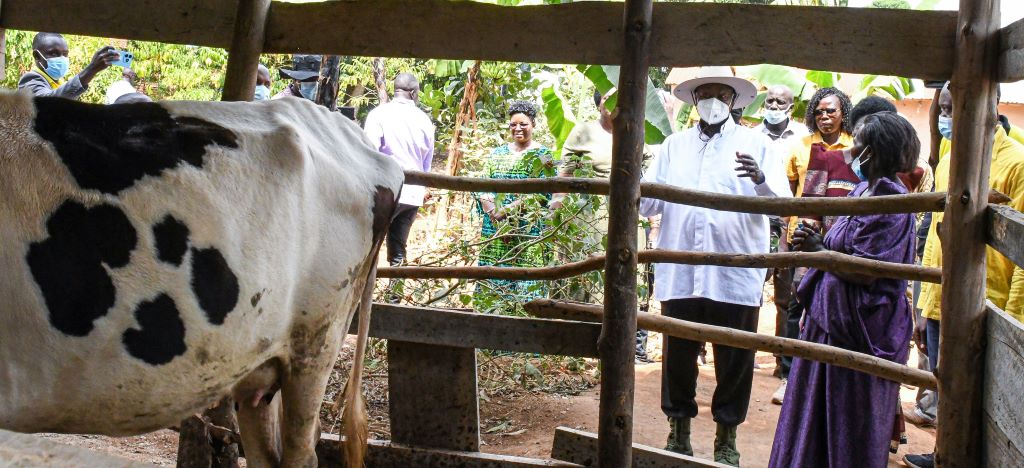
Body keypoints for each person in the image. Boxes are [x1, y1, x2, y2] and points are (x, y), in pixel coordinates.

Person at [639, 67, 791, 466]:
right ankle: (679, 433)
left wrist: (760, 180)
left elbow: (782, 204)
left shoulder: (758, 145)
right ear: (693, 101)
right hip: (681, 269)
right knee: (678, 353)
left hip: (735, 271)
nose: (712, 101)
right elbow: (649, 201)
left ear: (733, 101)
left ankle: (727, 438)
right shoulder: (673, 146)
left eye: (720, 95)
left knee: (735, 357)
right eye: (704, 94)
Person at [769, 111, 920, 468]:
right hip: (830, 325)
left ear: (878, 152)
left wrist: (821, 252)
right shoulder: (861, 190)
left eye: (861, 147)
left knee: (849, 419)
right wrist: (818, 243)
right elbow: (842, 249)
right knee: (814, 412)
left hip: (862, 329)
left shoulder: (892, 202)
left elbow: (866, 271)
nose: (854, 153)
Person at [903, 83, 1024, 468]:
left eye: (955, 108)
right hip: (941, 298)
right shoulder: (951, 155)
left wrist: (1013, 318)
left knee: (987, 399)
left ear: (991, 104)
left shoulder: (1017, 163)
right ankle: (944, 454)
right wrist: (924, 303)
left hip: (991, 304)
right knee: (949, 389)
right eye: (944, 108)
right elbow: (934, 235)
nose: (946, 118)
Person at [551, 89, 658, 362]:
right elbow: (565, 175)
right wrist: (557, 214)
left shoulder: (639, 134)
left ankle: (626, 346)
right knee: (584, 277)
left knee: (627, 279)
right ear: (599, 104)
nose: (615, 108)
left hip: (629, 219)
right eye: (609, 102)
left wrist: (653, 225)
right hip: (588, 220)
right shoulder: (583, 132)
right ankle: (578, 347)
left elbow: (648, 184)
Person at [773, 86, 855, 405]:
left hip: (839, 239)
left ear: (843, 113)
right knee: (797, 302)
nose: (824, 117)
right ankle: (788, 374)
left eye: (830, 111)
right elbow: (786, 194)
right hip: (801, 235)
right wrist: (783, 241)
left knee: (830, 301)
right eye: (818, 112)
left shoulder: (855, 148)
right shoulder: (800, 147)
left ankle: (822, 375)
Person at [363, 73, 435, 302]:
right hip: (412, 193)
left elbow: (370, 152)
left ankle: (363, 296)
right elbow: (427, 163)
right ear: (414, 93)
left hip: (384, 192)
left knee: (370, 247)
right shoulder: (424, 120)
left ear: (395, 90)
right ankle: (393, 299)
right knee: (398, 249)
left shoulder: (378, 114)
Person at [475, 101, 554, 307]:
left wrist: (507, 212)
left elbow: (542, 193)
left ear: (533, 124)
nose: (517, 128)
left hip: (528, 231)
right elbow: (483, 186)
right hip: (495, 232)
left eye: (523, 124)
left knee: (526, 289)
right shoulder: (497, 154)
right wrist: (496, 216)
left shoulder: (543, 156)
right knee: (494, 286)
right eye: (513, 125)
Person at [753, 84, 805, 380]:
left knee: (785, 295)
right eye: (770, 101)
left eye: (780, 102)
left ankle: (782, 360)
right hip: (756, 219)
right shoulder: (751, 136)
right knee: (750, 284)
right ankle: (743, 348)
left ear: (791, 105)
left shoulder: (801, 138)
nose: (773, 106)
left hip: (788, 220)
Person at [19, 32, 120, 100]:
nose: (62, 58)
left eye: (65, 54)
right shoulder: (30, 80)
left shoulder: (58, 81)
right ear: (37, 56)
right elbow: (49, 102)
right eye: (54, 53)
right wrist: (91, 69)